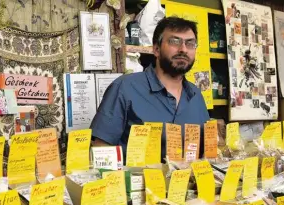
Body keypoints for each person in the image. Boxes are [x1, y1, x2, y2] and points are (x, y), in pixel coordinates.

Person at [90, 16, 210, 162]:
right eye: (174, 41)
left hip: (186, 184)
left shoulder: (196, 96)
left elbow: (204, 152)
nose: (183, 49)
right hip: (136, 184)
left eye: (190, 44)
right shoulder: (125, 88)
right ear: (156, 49)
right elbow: (101, 149)